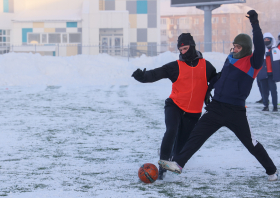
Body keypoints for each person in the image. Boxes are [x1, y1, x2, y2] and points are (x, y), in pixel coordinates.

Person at [158, 10, 278, 181]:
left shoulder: (253, 62)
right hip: (216, 108)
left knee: (251, 144)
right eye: (234, 46)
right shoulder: (230, 58)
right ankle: (178, 164)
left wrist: (255, 23)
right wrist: (208, 91)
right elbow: (221, 77)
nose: (234, 48)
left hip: (235, 111)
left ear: (245, 49)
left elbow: (259, 45)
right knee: (196, 136)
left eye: (238, 47)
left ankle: (271, 170)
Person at [132, 33, 217, 180]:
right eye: (181, 49)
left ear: (192, 46)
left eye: (185, 48)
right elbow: (157, 73)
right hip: (175, 106)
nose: (183, 52)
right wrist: (143, 77)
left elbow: (216, 78)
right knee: (171, 130)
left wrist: (210, 89)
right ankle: (162, 169)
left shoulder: (206, 66)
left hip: (193, 112)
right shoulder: (176, 66)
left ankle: (169, 155)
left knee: (179, 150)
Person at [257, 32, 280, 111]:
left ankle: (275, 106)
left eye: (268, 39)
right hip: (263, 74)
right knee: (264, 92)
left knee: (274, 91)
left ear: (271, 40)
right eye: (265, 39)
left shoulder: (276, 50)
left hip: (272, 75)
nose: (266, 41)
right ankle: (265, 106)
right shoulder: (260, 50)